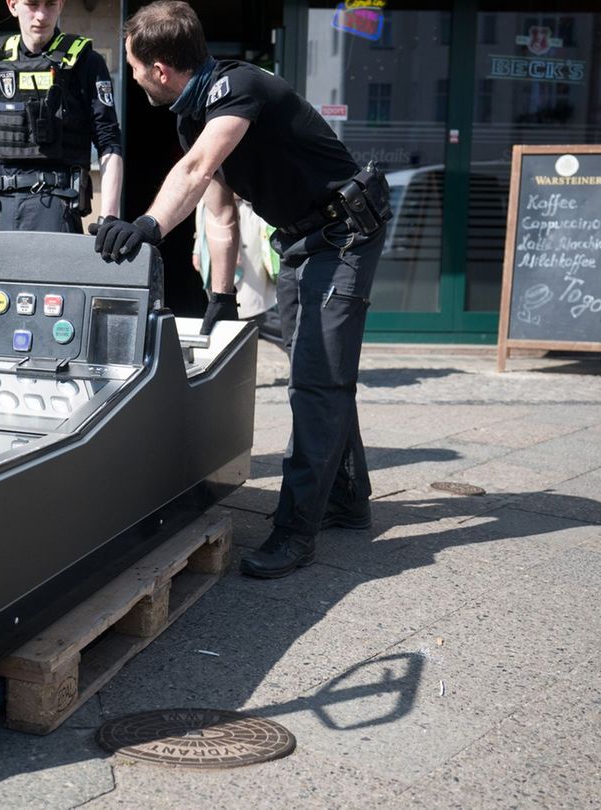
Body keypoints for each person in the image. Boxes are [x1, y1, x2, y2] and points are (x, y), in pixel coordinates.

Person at [94, 0, 390, 579]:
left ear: (159, 67)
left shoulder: (239, 87)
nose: (129, 77)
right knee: (322, 373)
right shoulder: (189, 114)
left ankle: (296, 531)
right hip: (302, 241)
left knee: (316, 380)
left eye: (131, 66)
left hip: (347, 233)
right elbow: (220, 210)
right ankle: (348, 500)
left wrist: (148, 228)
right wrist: (221, 294)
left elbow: (197, 169)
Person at [0, 0, 124, 234]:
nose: (41, 15)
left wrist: (109, 217)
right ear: (12, 5)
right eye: (32, 4)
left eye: (50, 4)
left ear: (60, 5)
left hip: (55, 210)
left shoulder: (86, 63)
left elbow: (108, 141)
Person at [192, 195, 277, 322]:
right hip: (211, 217)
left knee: (252, 299)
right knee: (221, 292)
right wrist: (198, 245)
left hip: (244, 220)